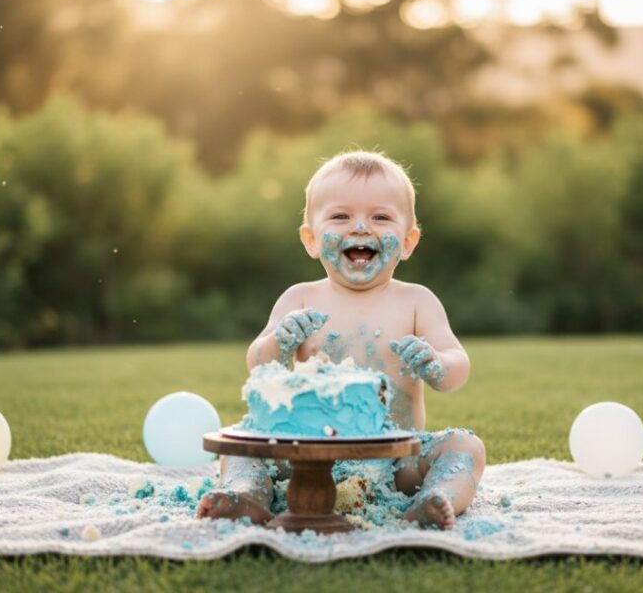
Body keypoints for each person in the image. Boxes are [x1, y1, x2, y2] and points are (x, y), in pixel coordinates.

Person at [196, 150, 485, 529]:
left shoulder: (416, 301)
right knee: (241, 448)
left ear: (409, 240)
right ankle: (245, 492)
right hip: (303, 458)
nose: (361, 228)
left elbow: (456, 367)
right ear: (311, 239)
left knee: (465, 447)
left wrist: (436, 363)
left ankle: (438, 496)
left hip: (397, 460)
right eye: (340, 216)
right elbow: (258, 364)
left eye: (380, 217)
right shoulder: (300, 298)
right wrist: (280, 342)